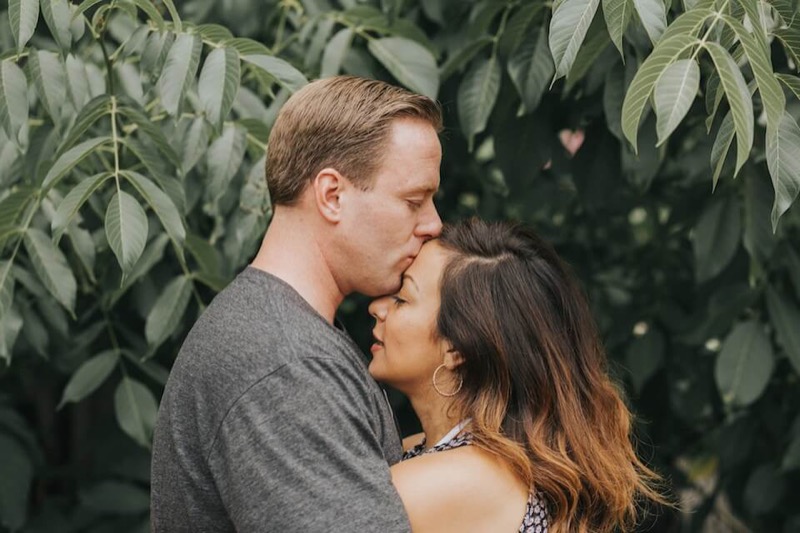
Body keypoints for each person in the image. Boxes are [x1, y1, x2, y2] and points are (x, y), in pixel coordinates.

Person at [150, 76, 443, 531]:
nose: (433, 224)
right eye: (414, 200)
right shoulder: (286, 363)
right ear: (332, 195)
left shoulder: (291, 337)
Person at [369, 218, 666, 533]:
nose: (377, 307)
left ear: (456, 349)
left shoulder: (461, 479)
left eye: (402, 299)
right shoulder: (448, 455)